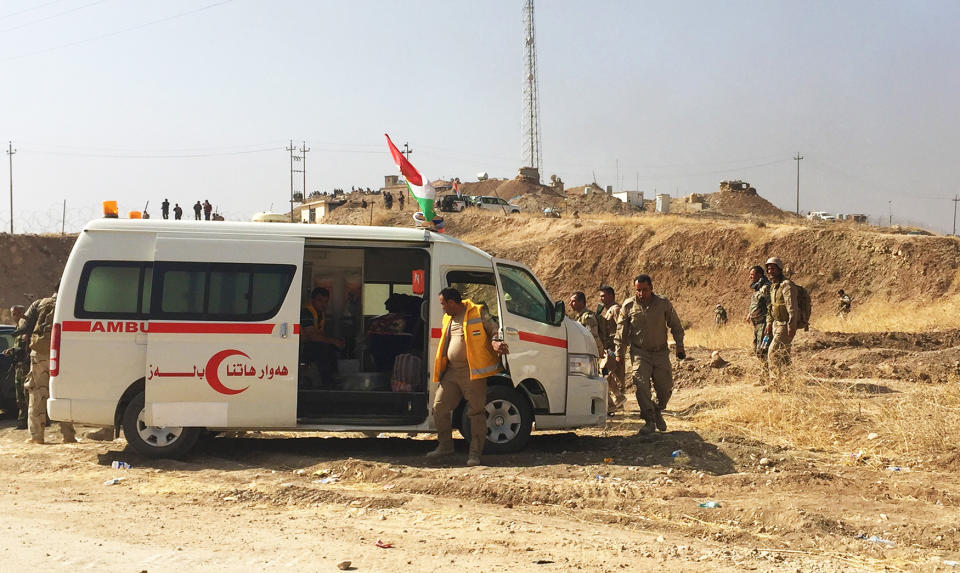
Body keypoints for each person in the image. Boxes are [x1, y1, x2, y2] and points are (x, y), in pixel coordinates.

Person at [427, 287, 508, 466]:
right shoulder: (447, 318)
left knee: (475, 412)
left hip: (473, 372)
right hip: (451, 372)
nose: (442, 308)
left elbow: (493, 329)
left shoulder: (478, 311)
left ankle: (475, 454)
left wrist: (495, 342)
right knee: (439, 407)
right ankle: (445, 446)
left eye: (443, 304)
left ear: (451, 303)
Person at [614, 274, 685, 434]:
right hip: (640, 353)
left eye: (644, 290)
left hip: (660, 352)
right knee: (641, 386)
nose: (641, 293)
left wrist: (679, 345)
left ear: (651, 288)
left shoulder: (663, 303)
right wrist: (619, 354)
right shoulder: (628, 306)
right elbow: (621, 332)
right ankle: (649, 421)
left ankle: (656, 408)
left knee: (665, 389)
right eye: (638, 290)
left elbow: (675, 325)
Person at [22, 291, 76, 444]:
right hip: (62, 354)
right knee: (63, 393)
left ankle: (37, 436)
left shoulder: (39, 303)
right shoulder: (70, 303)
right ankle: (68, 436)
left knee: (37, 393)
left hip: (39, 354)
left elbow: (23, 326)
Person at [300, 287, 344, 388]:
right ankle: (327, 380)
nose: (323, 304)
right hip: (302, 347)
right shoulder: (306, 312)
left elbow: (321, 334)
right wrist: (332, 341)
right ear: (312, 300)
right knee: (322, 347)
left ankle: (334, 375)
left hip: (311, 345)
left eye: (326, 301)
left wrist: (336, 342)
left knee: (331, 346)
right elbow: (311, 336)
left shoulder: (320, 315)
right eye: (320, 300)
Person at [764, 257, 798, 379]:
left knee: (772, 352)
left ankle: (775, 383)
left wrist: (792, 326)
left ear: (779, 269)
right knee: (784, 355)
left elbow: (792, 307)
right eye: (768, 269)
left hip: (785, 325)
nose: (770, 271)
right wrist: (769, 323)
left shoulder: (787, 285)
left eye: (773, 268)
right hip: (776, 324)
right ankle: (788, 381)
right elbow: (771, 307)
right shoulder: (773, 287)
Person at [596, 285, 626, 412]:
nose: (601, 299)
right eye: (600, 296)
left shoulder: (616, 309)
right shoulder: (608, 310)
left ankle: (619, 398)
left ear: (611, 295)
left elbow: (621, 329)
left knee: (606, 372)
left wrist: (618, 350)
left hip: (615, 348)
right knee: (610, 374)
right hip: (610, 347)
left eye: (603, 296)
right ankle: (618, 401)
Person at [4, 305, 29, 428]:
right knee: (20, 395)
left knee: (25, 394)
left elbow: (24, 348)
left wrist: (12, 351)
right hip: (18, 365)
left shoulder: (26, 326)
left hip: (25, 365)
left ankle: (25, 421)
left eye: (15, 314)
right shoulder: (19, 326)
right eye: (12, 314)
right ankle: (23, 420)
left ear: (21, 313)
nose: (13, 316)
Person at [746, 265, 771, 363]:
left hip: (763, 323)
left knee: (762, 350)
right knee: (757, 348)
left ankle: (766, 374)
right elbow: (758, 303)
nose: (750, 277)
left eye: (752, 274)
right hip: (757, 324)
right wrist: (750, 314)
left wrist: (768, 323)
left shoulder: (766, 287)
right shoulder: (758, 288)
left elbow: (770, 306)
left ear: (759, 275)